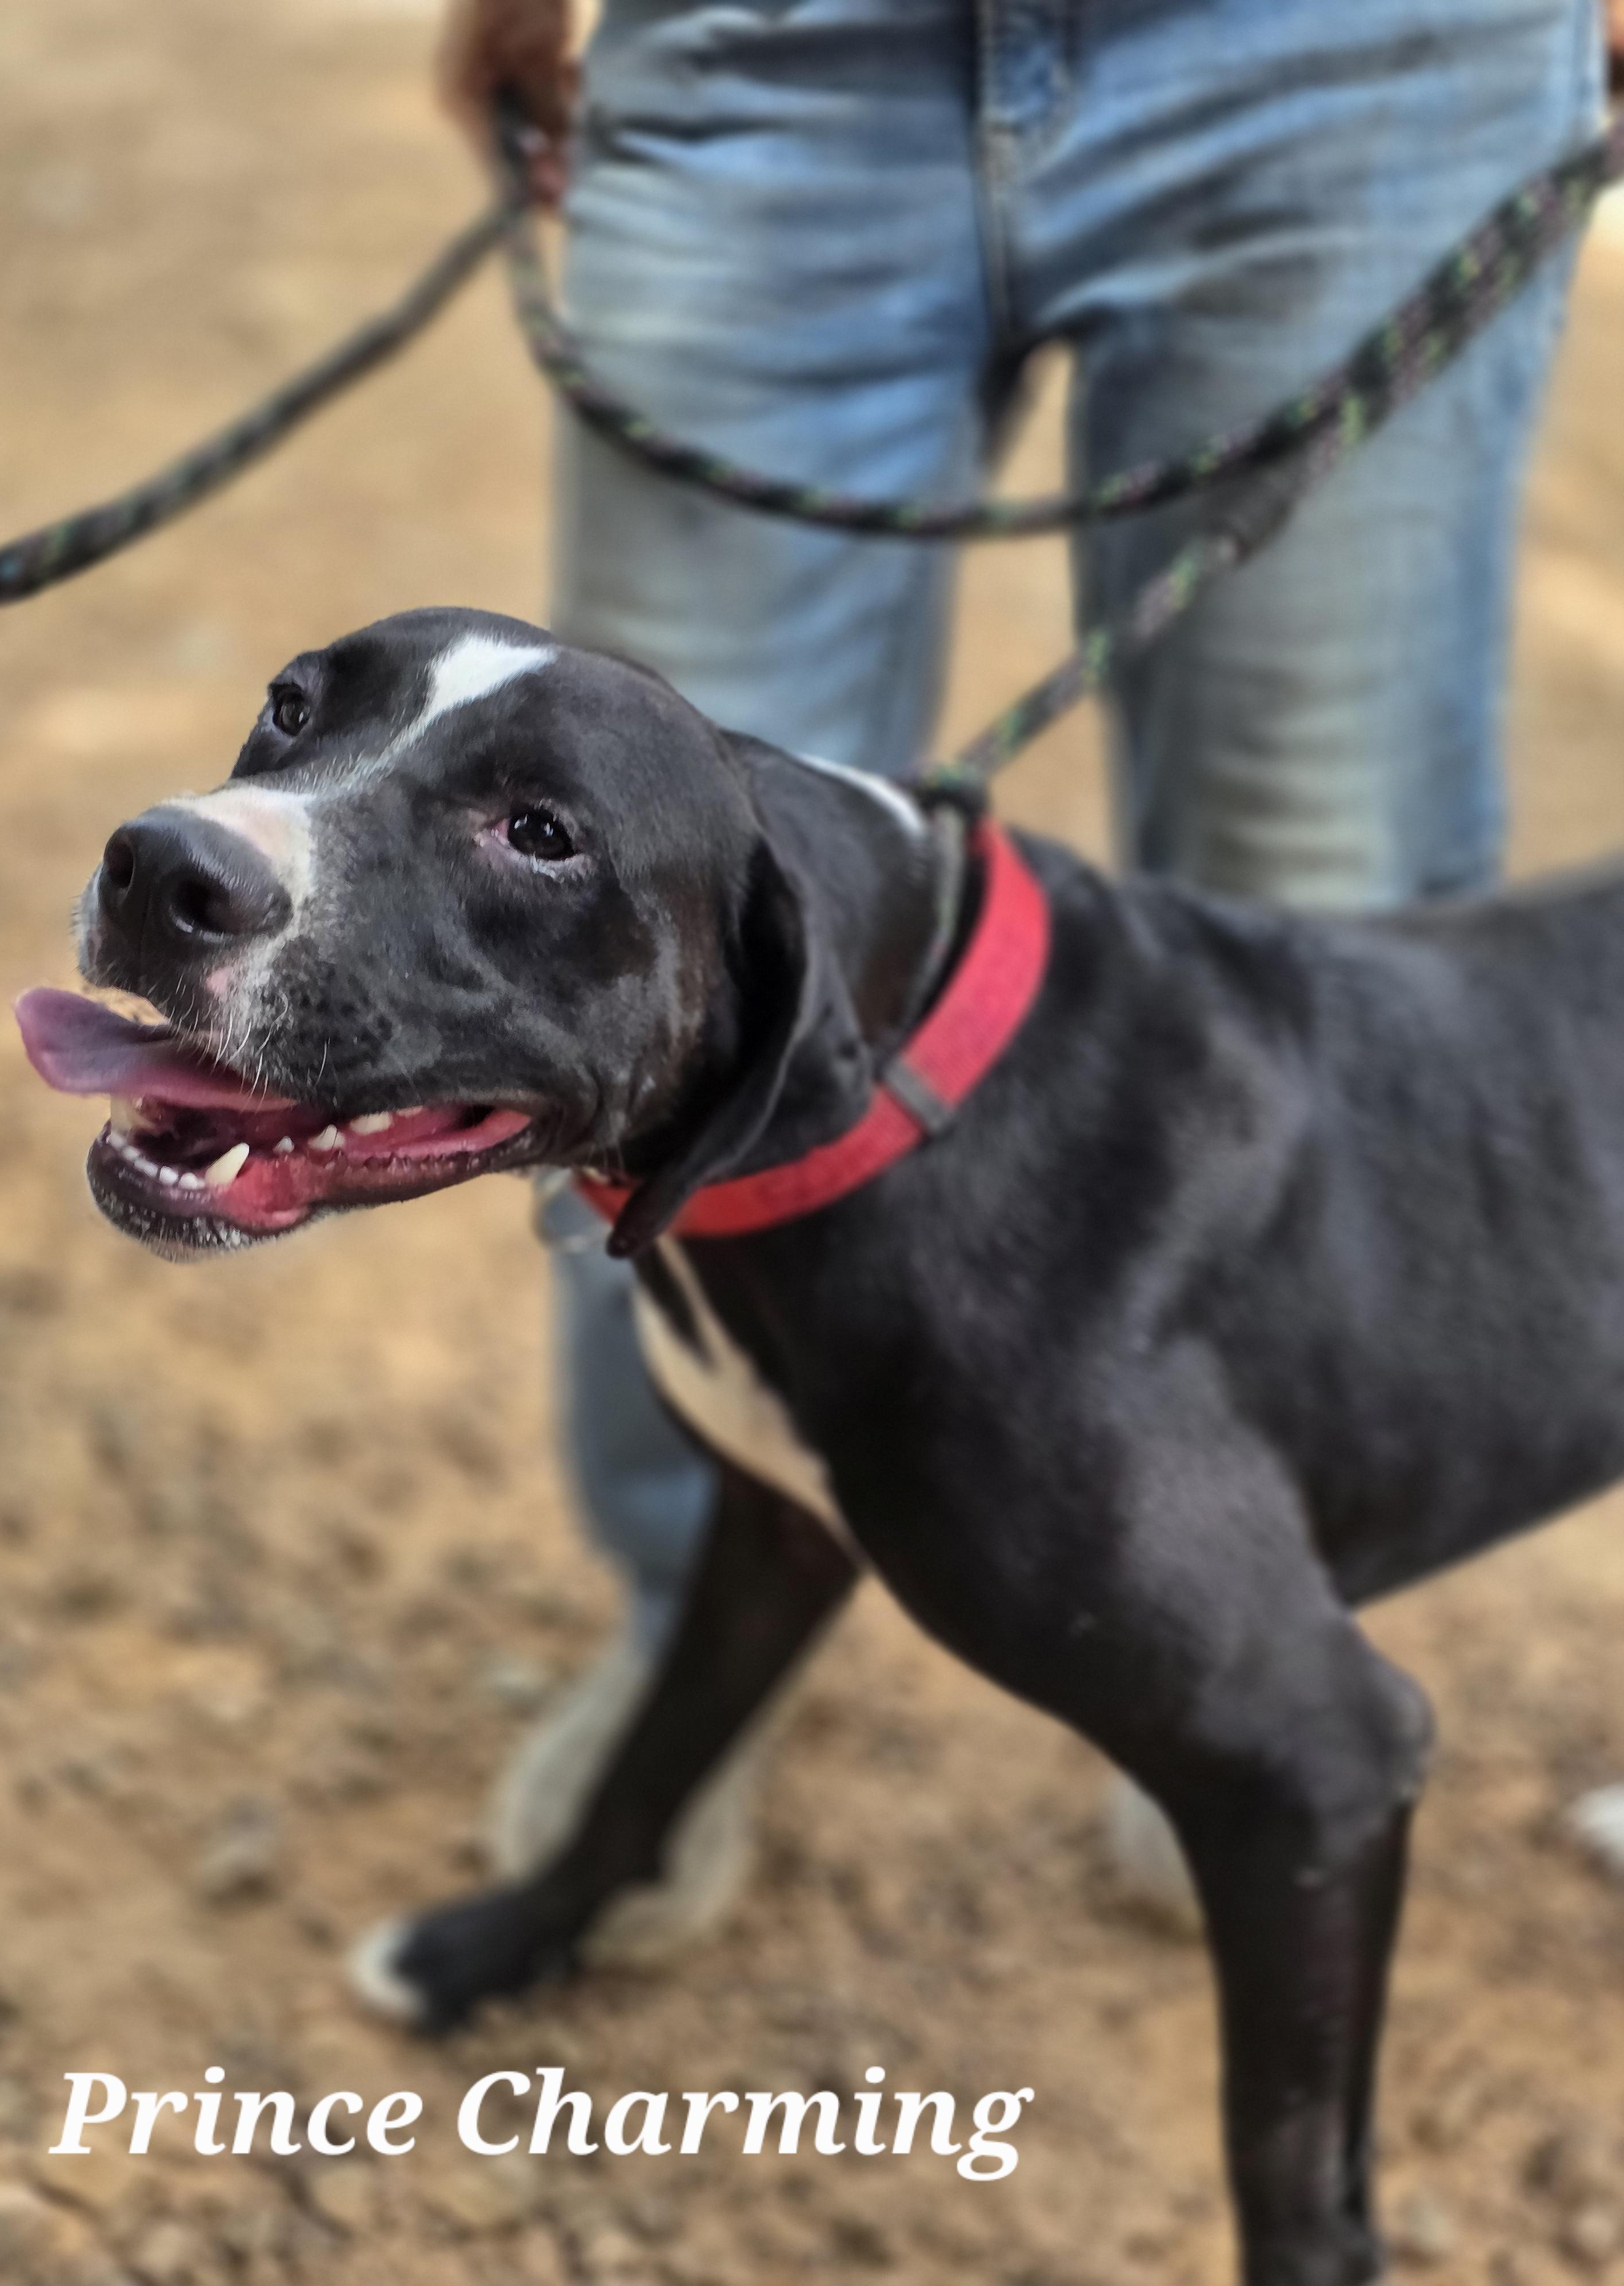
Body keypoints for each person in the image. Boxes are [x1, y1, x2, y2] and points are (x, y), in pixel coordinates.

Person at [434, 0, 1613, 1959]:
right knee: (605, 963)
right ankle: (685, 1655)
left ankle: (1237, 1633)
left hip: (1379, 57)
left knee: (1320, 901)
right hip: (764, 58)